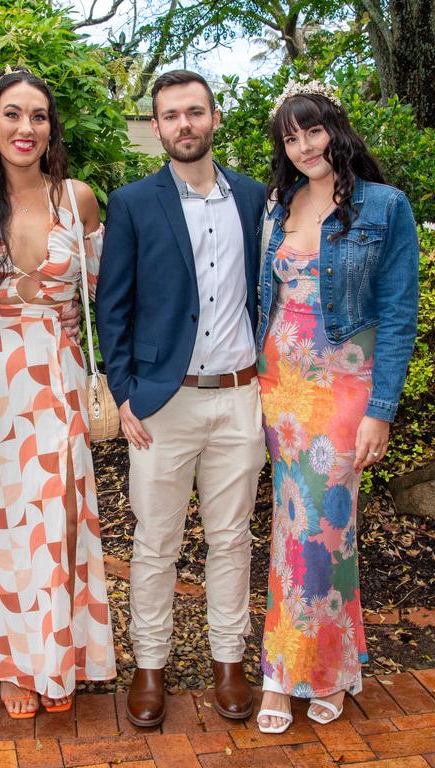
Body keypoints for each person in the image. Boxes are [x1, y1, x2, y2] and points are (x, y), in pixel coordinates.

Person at [0, 69, 116, 718]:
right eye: (13, 114)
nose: (25, 128)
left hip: (57, 380)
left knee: (56, 525)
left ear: (51, 129)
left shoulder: (80, 200)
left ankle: (55, 659)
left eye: (38, 116)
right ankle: (13, 667)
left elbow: (104, 294)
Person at [96, 70, 267, 727]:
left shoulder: (255, 199)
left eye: (194, 112)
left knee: (231, 539)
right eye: (171, 115)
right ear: (158, 127)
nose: (184, 124)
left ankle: (230, 662)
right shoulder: (134, 203)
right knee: (156, 541)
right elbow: (113, 307)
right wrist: (126, 393)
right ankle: (151, 667)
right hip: (163, 404)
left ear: (215, 117)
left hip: (239, 398)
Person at [254, 82, 418, 733]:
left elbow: (399, 313)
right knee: (295, 529)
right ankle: (334, 667)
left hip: (343, 388)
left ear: (336, 129)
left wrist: (382, 408)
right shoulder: (279, 204)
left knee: (319, 528)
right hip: (278, 385)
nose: (303, 147)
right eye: (291, 138)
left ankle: (291, 673)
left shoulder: (385, 206)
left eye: (312, 131)